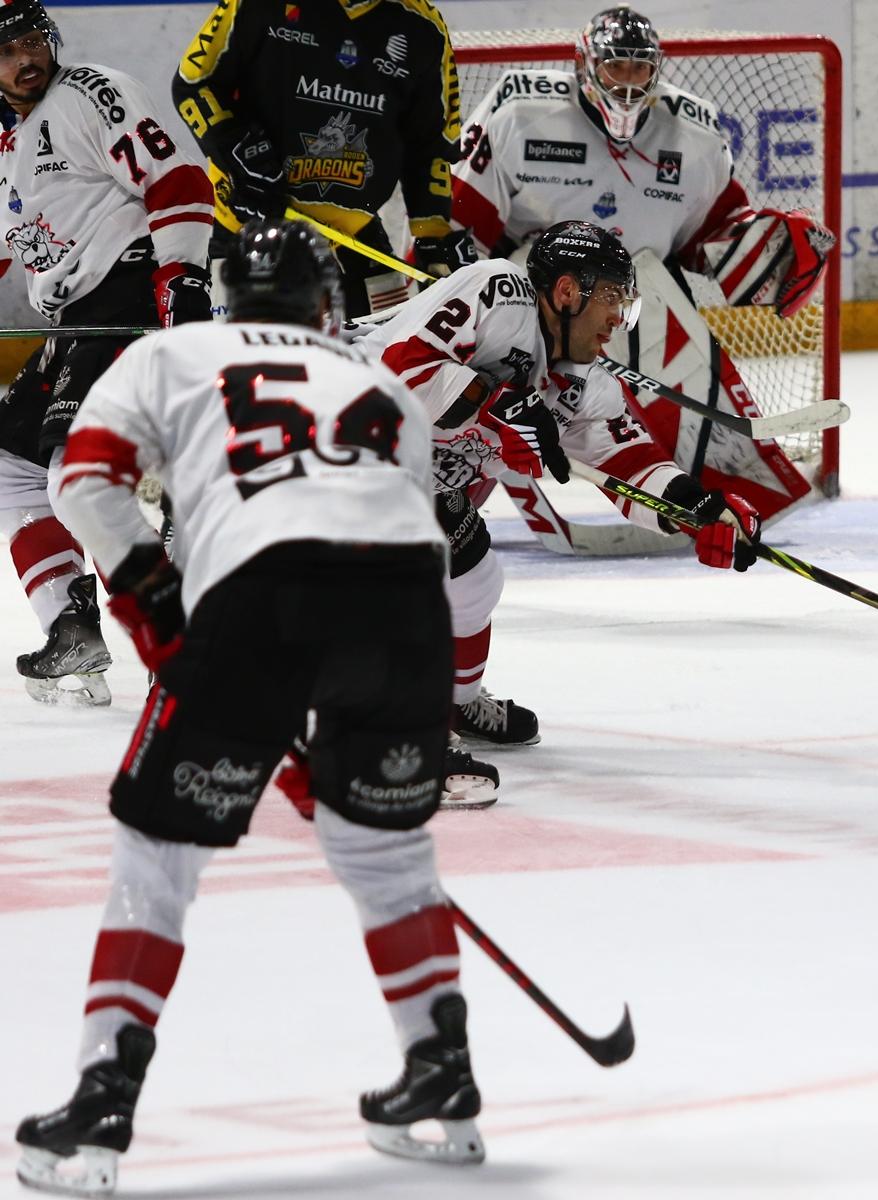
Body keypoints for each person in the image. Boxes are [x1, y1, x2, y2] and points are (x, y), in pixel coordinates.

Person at [14, 222, 484, 1199]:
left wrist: (156, 607)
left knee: (158, 858)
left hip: (262, 599)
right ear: (327, 305)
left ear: (228, 295)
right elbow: (386, 533)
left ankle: (102, 1098)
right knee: (386, 852)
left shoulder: (173, 352)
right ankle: (441, 1070)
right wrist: (325, 730)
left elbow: (82, 481)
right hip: (410, 616)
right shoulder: (382, 384)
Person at [350, 218, 762, 750]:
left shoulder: (587, 385)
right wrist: (496, 405)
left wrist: (699, 510)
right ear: (567, 291)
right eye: (610, 297)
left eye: (625, 303)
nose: (617, 318)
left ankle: (451, 703)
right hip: (340, 436)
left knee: (474, 578)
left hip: (414, 479)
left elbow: (630, 463)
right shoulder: (498, 292)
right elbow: (398, 372)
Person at [449, 5, 834, 524]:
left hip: (640, 297)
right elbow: (460, 224)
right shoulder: (519, 113)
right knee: (494, 397)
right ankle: (454, 481)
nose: (628, 81)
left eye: (640, 67)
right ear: (585, 66)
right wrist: (466, 321)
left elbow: (712, 233)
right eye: (616, 66)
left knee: (649, 303)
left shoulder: (694, 135)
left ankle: (713, 494)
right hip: (537, 296)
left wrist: (770, 252)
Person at [0, 0, 215, 705]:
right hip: (74, 324)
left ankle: (176, 634)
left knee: (78, 476)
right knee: (10, 466)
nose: (26, 59)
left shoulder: (90, 91)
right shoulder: (6, 143)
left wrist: (182, 281)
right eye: (6, 51)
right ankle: (72, 626)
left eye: (32, 41)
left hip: (126, 296)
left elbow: (178, 178)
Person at [171, 0, 473, 317]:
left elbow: (428, 145)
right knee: (240, 350)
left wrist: (433, 236)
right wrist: (239, 154)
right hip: (246, 230)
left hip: (354, 239)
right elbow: (194, 84)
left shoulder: (423, 25)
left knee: (391, 346)